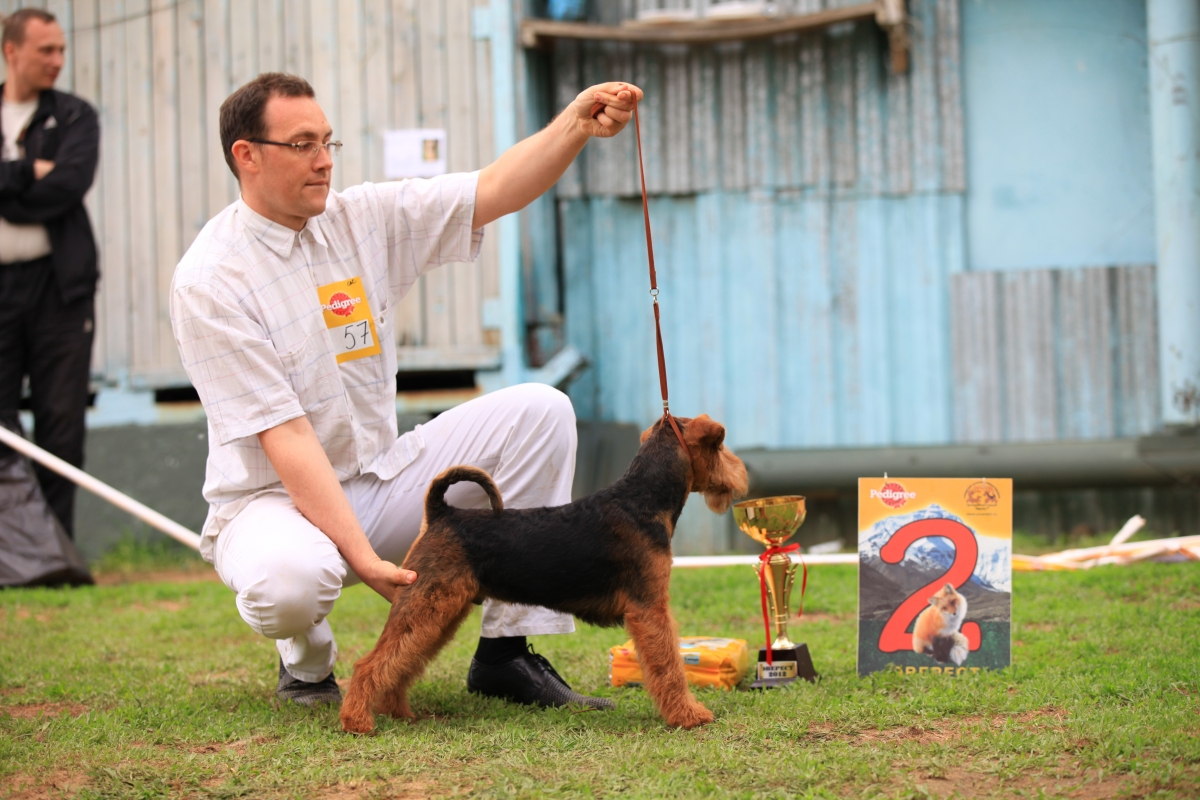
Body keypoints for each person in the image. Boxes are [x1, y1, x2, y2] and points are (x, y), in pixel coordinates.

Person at [170, 72, 643, 707]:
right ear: (246, 155)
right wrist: (362, 560)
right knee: (291, 584)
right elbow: (285, 435)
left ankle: (506, 653)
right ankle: (307, 666)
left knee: (541, 410)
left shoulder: (360, 218)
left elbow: (493, 189)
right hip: (272, 501)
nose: (322, 161)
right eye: (303, 144)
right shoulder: (209, 279)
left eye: (328, 143)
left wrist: (576, 125)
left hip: (378, 476)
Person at [0, 8, 100, 540]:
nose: (58, 61)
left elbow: (67, 185)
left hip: (61, 292)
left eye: (61, 49)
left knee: (61, 424)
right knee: (1, 427)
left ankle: (55, 552)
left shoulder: (76, 116)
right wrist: (24, 173)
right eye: (46, 50)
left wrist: (8, 192)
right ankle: (10, 551)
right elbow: (42, 185)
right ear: (11, 51)